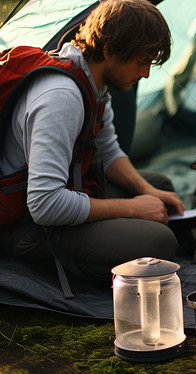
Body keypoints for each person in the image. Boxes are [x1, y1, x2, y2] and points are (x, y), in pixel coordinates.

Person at [0, 0, 184, 285]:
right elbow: (45, 204)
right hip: (23, 227)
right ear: (110, 51)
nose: (146, 73)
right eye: (142, 61)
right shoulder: (61, 97)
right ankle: (55, 266)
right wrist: (134, 208)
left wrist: (146, 192)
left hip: (63, 195)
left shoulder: (93, 83)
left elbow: (107, 150)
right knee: (160, 242)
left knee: (160, 187)